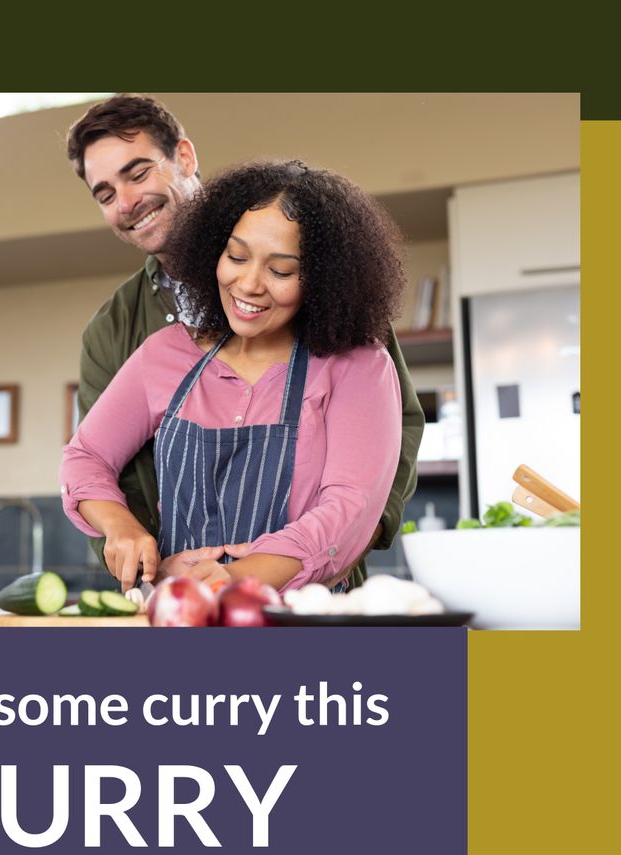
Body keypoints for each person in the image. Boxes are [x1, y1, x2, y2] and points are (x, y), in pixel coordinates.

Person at [64, 93, 424, 589]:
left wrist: (306, 557)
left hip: (308, 599)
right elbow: (90, 460)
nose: (250, 285)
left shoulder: (355, 354)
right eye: (105, 193)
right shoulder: (134, 338)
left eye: (138, 173)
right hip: (180, 596)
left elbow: (360, 489)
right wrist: (140, 551)